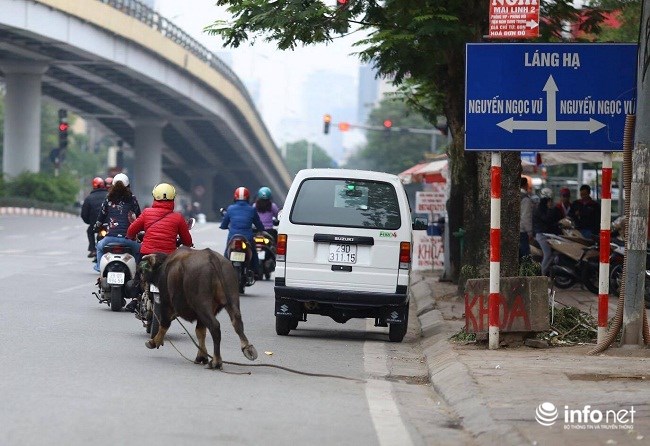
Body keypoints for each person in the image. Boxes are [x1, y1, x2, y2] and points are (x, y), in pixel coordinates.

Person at [126, 183, 193, 312]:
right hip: (168, 259)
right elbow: (187, 240)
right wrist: (187, 245)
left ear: (155, 197)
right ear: (173, 198)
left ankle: (135, 300)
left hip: (147, 256)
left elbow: (131, 230)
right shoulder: (178, 217)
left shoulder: (147, 213)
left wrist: (130, 236)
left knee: (140, 274)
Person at [94, 173, 141, 272]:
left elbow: (101, 216)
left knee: (99, 247)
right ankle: (136, 272)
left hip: (110, 239)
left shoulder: (108, 198)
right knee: (139, 250)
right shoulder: (132, 199)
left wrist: (96, 227)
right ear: (128, 186)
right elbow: (139, 217)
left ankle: (99, 268)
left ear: (113, 186)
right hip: (129, 239)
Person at [220, 186, 265, 275]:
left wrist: (224, 226)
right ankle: (256, 271)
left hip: (233, 236)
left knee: (227, 251)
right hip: (247, 237)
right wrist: (261, 229)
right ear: (248, 198)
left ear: (235, 197)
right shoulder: (252, 209)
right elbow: (258, 223)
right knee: (254, 253)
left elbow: (224, 224)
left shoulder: (230, 208)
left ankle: (223, 270)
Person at [533, 188, 561, 276]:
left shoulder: (548, 208)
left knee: (555, 253)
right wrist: (550, 209)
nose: (551, 201)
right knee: (548, 254)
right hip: (542, 235)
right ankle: (542, 275)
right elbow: (547, 219)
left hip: (549, 234)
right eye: (549, 200)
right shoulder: (541, 208)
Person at [81, 177, 108, 259]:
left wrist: (89, 222)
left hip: (95, 225)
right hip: (109, 224)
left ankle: (93, 249)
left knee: (90, 231)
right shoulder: (109, 196)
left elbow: (84, 214)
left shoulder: (89, 198)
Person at [519, 176, 534, 259]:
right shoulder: (525, 199)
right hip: (522, 231)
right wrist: (530, 232)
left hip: (514, 230)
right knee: (525, 257)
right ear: (526, 185)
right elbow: (526, 217)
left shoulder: (515, 196)